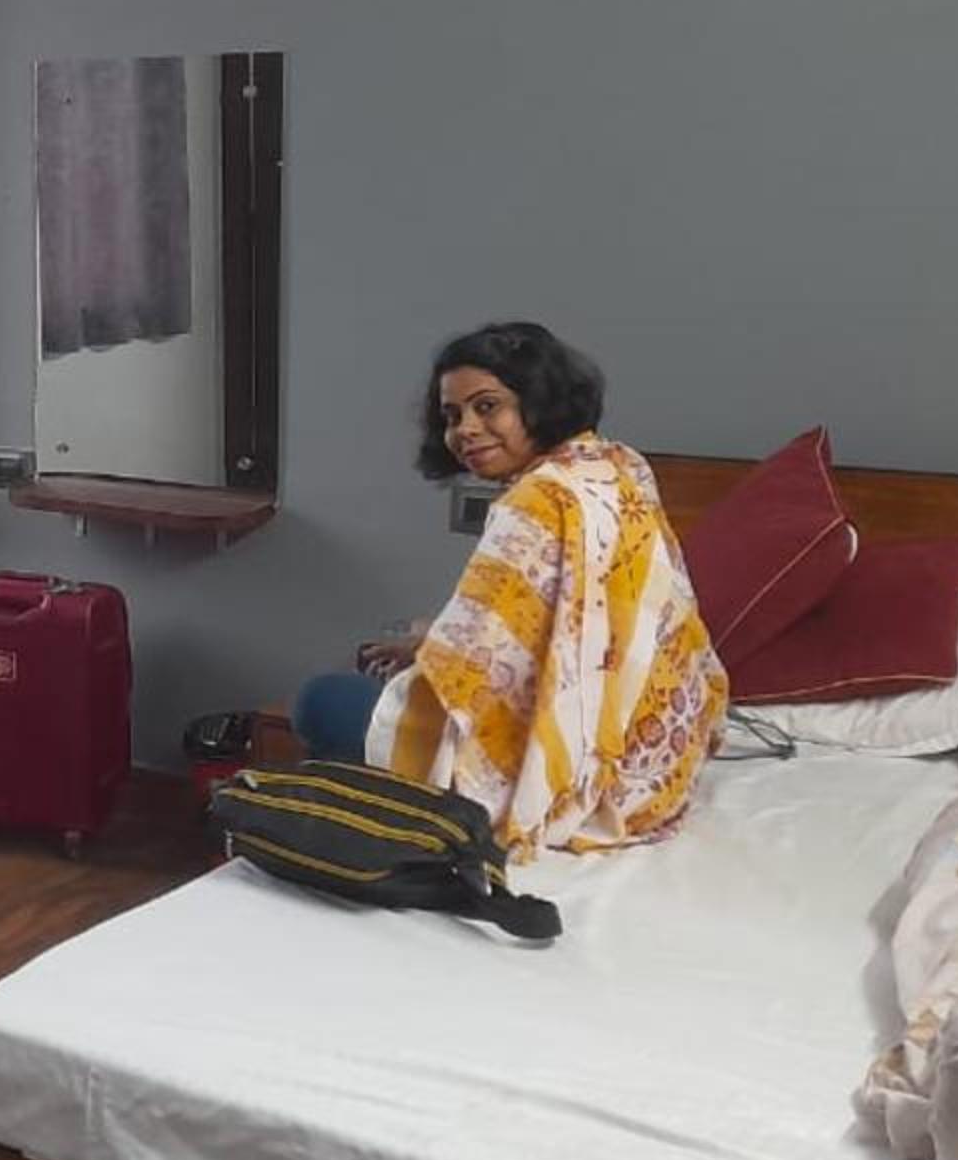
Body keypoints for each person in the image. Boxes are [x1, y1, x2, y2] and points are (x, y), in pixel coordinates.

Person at [292, 322, 728, 856]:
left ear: (539, 401)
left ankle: (373, 840)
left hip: (593, 782)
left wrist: (430, 657)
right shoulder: (618, 466)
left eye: (487, 406)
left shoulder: (537, 501)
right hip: (658, 770)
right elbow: (564, 623)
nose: (466, 430)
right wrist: (434, 640)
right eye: (452, 416)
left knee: (322, 701)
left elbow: (477, 670)